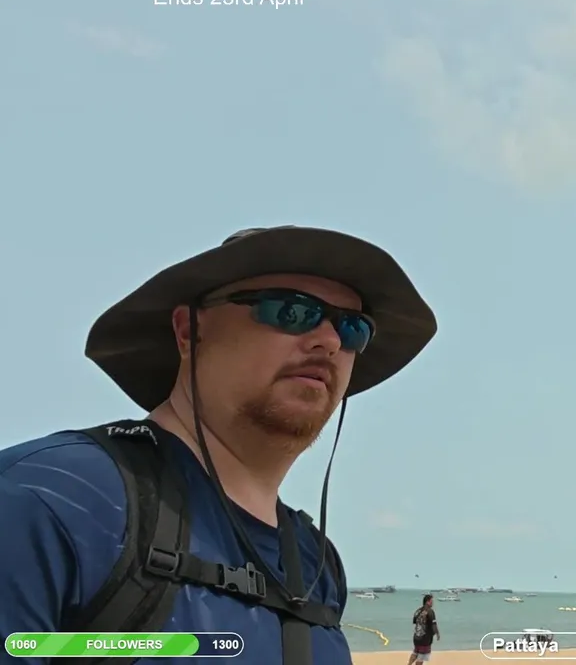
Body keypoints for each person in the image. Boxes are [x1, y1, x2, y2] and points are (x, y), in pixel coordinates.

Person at [0, 226, 437, 665]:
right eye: (291, 310)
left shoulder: (315, 565)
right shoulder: (53, 498)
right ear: (189, 331)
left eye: (352, 327)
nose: (330, 341)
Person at [409, 593, 440, 663]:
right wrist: (437, 634)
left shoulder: (418, 611)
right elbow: (434, 625)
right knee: (421, 657)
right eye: (431, 601)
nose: (432, 603)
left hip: (416, 637)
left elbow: (415, 622)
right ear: (427, 602)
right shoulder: (430, 611)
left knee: (415, 652)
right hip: (425, 639)